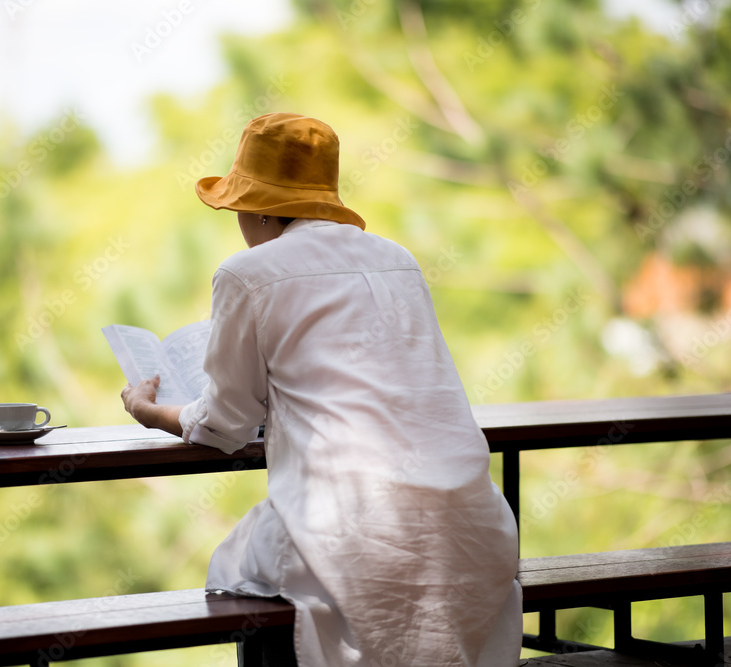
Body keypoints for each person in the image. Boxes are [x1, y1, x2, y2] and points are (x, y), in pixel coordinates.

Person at [121, 112, 521, 666]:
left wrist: (151, 411)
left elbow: (225, 425)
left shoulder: (246, 273)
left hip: (349, 525)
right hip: (474, 522)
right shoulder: (397, 261)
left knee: (240, 577)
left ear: (257, 205)